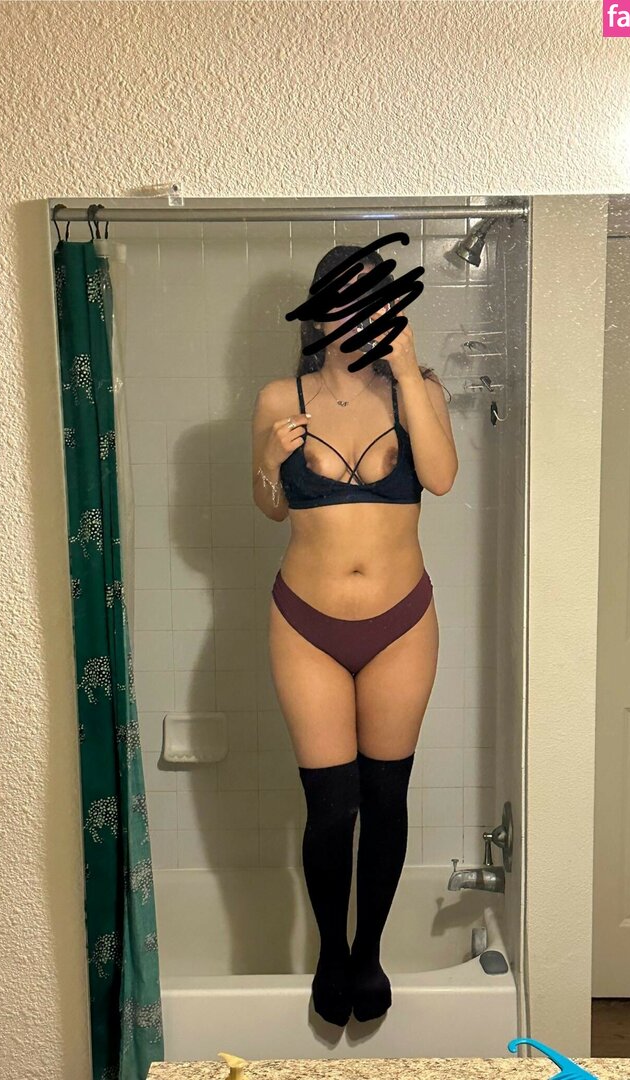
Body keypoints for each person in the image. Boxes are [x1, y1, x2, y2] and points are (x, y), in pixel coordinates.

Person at [250, 245, 458, 1026]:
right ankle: (330, 953)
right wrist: (269, 459)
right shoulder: (281, 396)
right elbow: (270, 505)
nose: (357, 316)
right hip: (305, 625)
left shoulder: (418, 392)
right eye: (341, 300)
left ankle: (367, 950)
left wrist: (405, 373)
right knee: (331, 806)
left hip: (400, 623)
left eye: (374, 301)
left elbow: (440, 478)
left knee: (384, 796)